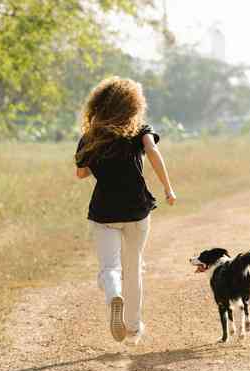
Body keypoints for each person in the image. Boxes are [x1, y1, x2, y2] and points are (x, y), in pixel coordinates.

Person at [74, 77, 176, 345]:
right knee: (133, 268)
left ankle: (113, 295)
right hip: (136, 210)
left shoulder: (89, 137)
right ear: (133, 104)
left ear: (98, 105)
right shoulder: (139, 131)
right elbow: (153, 152)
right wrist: (167, 188)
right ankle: (132, 327)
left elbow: (81, 173)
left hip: (104, 212)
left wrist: (95, 160)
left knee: (110, 267)